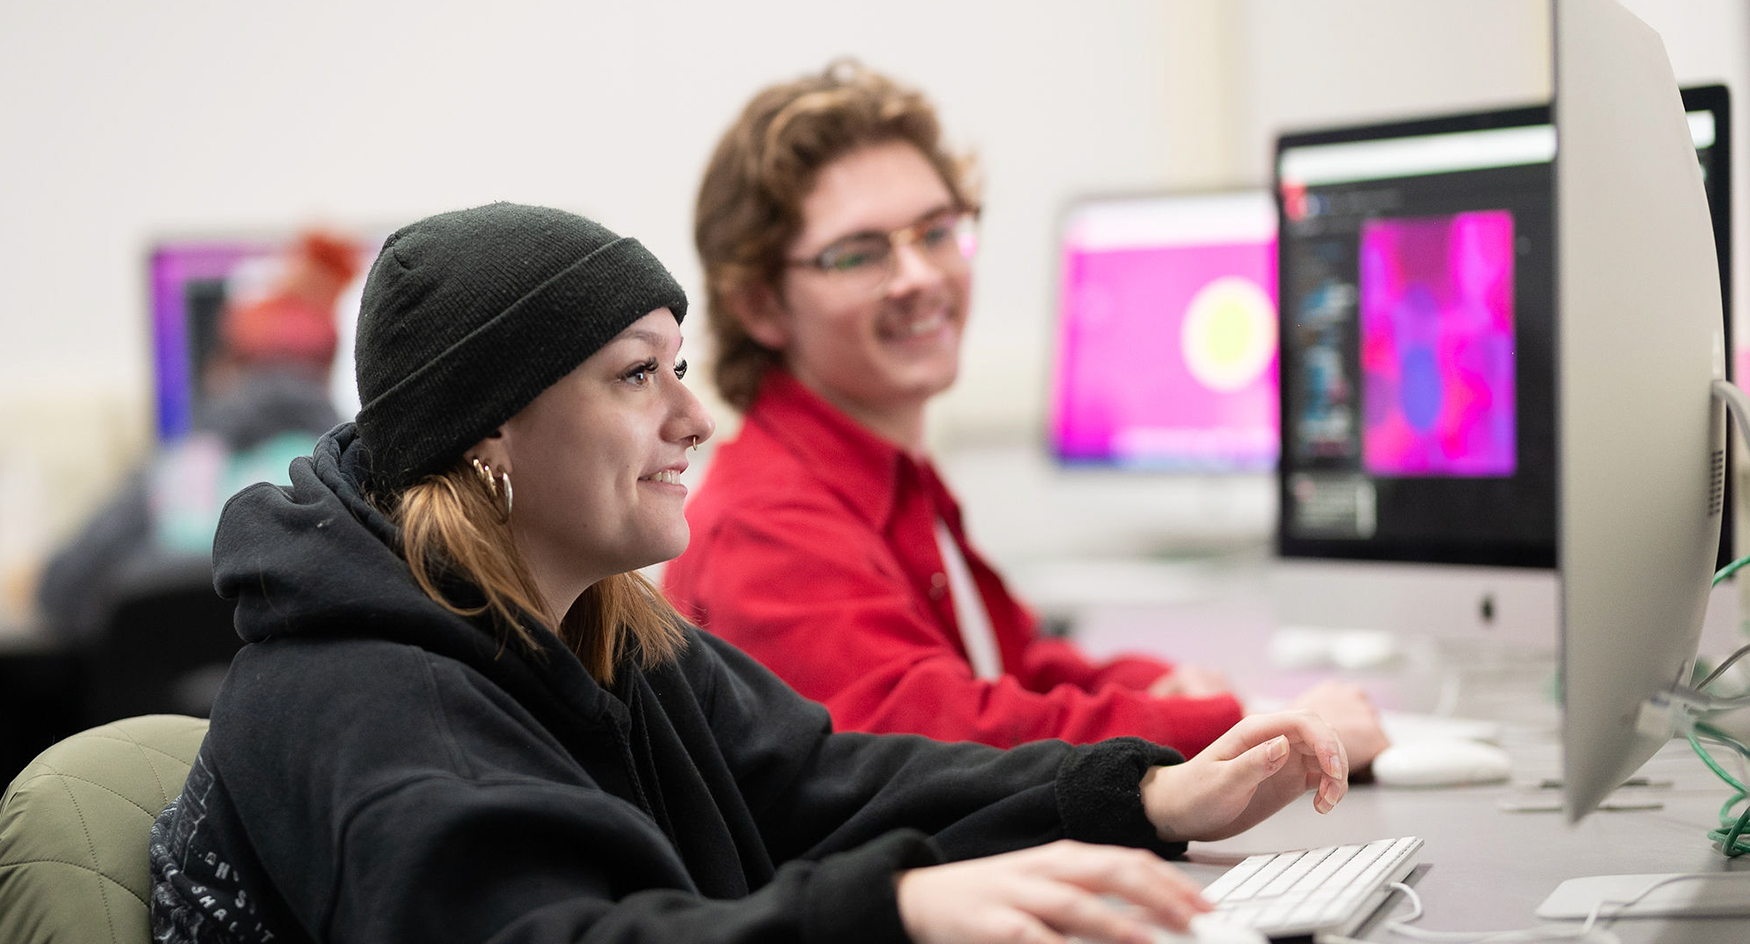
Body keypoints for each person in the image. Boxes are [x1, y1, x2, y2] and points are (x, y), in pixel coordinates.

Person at [148, 202, 1350, 944]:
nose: (694, 417)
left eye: (680, 366)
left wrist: (1141, 797)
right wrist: (895, 909)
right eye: (637, 375)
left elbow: (823, 785)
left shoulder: (598, 628)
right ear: (489, 431)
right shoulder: (367, 693)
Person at [664, 61, 1389, 765]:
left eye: (937, 231)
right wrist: (1245, 727)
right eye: (860, 255)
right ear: (760, 304)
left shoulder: (887, 476)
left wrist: (1149, 688)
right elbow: (949, 740)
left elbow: (1012, 664)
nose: (920, 277)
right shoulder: (768, 530)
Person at [35, 231, 358, 641]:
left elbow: (60, 591)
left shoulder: (175, 468)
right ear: (326, 372)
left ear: (225, 370)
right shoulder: (356, 482)